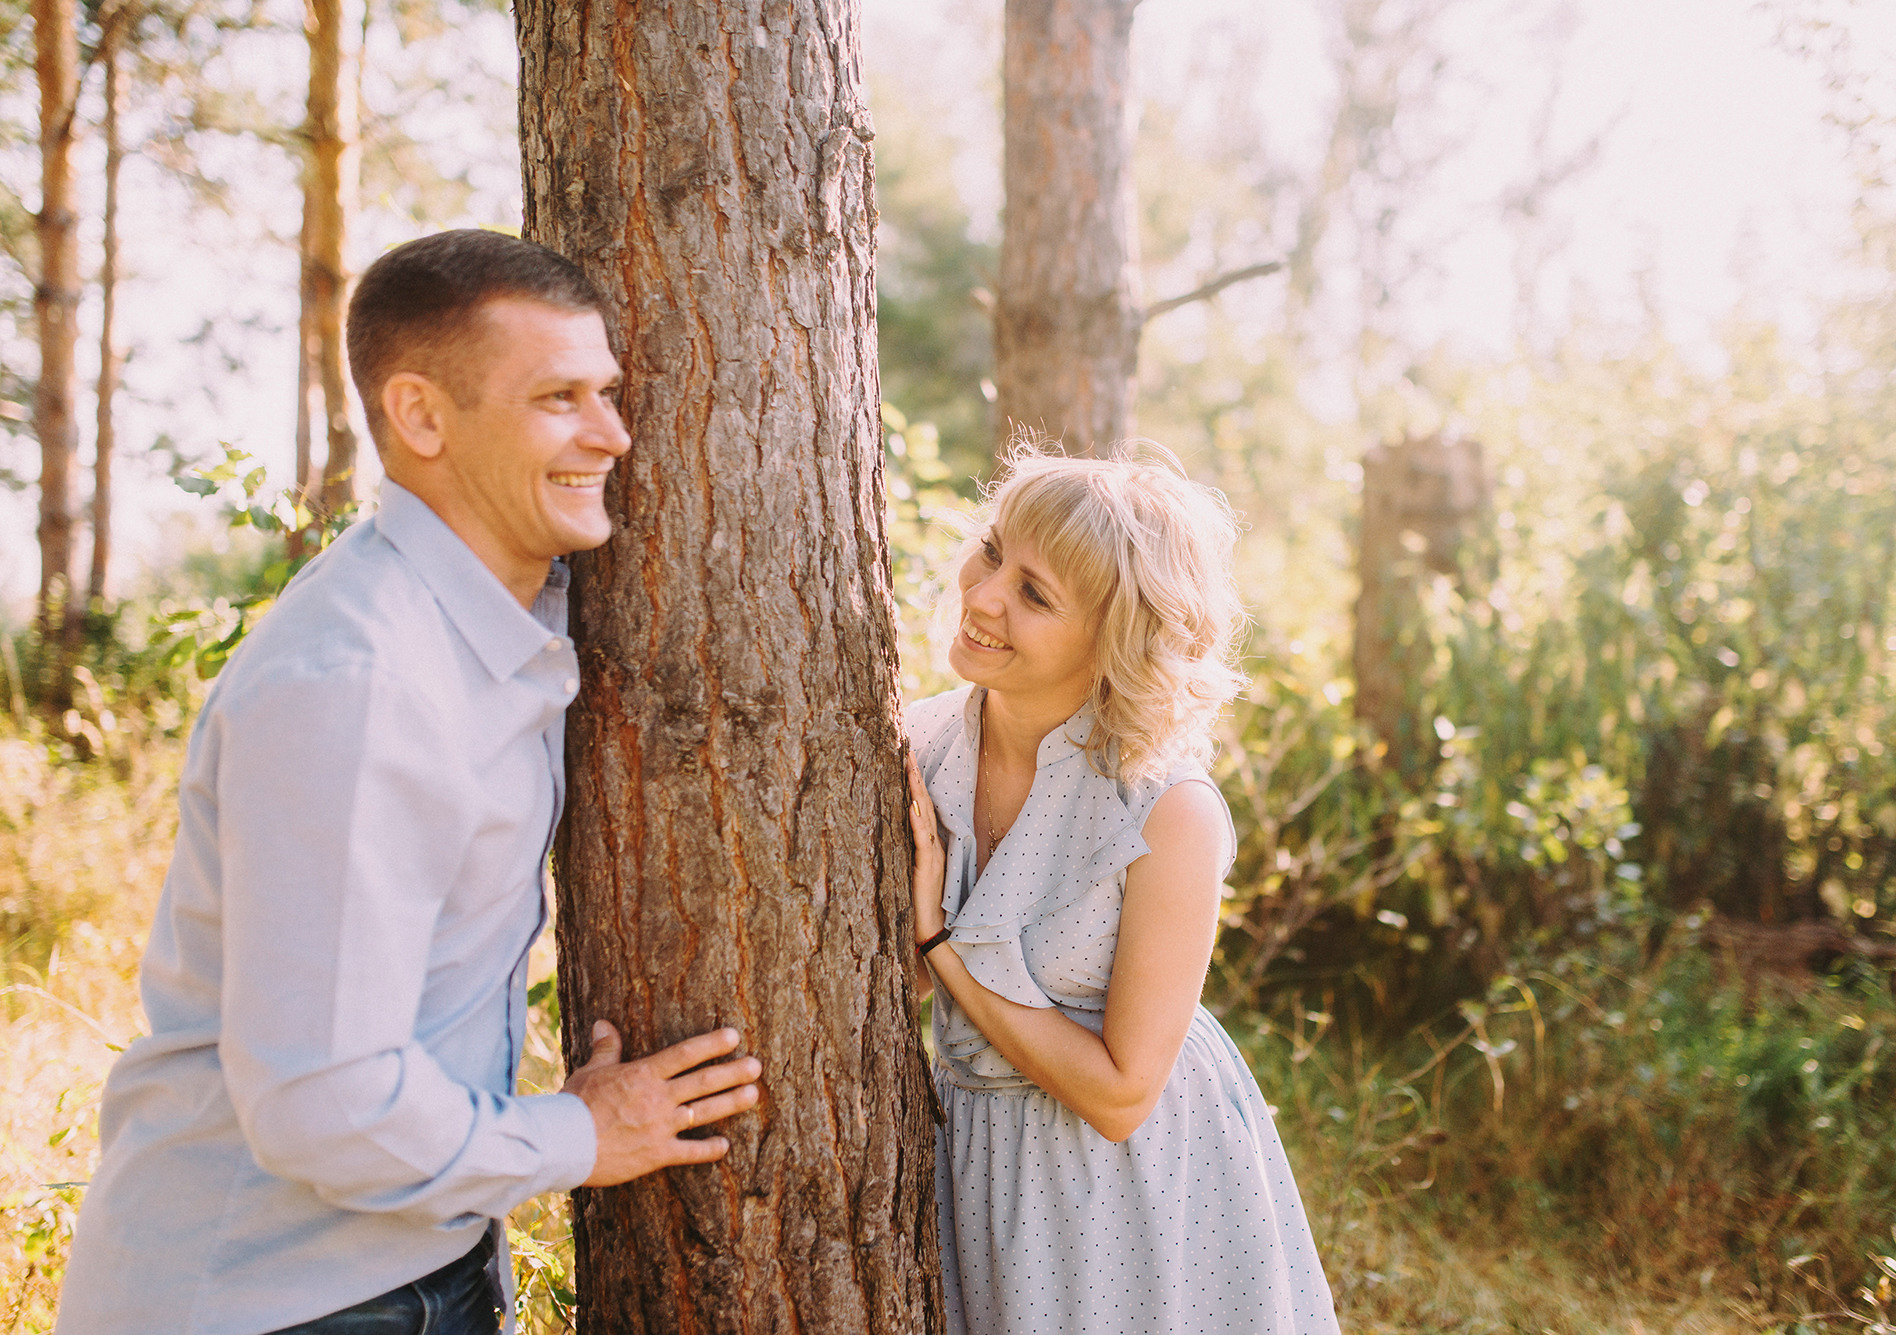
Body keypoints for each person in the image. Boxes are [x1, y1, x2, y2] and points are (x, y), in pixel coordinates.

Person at [58, 230, 763, 1335]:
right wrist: (583, 1136)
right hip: (272, 1301)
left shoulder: (505, 614)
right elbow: (322, 1102)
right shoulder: (360, 682)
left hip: (412, 1279)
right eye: (557, 398)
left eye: (608, 392)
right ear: (421, 418)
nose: (614, 435)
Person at [903, 445, 1341, 1335]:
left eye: (1035, 593)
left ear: (1113, 641)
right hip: (967, 1163)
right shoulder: (920, 742)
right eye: (992, 551)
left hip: (1129, 1187)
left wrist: (939, 947)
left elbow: (1119, 1091)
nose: (984, 595)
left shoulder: (1168, 812)